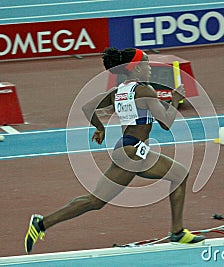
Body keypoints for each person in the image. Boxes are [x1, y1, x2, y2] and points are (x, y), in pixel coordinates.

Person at [24, 47, 205, 254]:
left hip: (126, 149)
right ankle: (177, 231)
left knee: (95, 201)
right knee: (180, 174)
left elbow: (87, 107)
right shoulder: (145, 90)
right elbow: (166, 123)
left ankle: (42, 223)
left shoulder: (118, 91)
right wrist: (174, 99)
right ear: (136, 69)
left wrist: (100, 127)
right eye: (146, 64)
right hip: (133, 152)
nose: (149, 68)